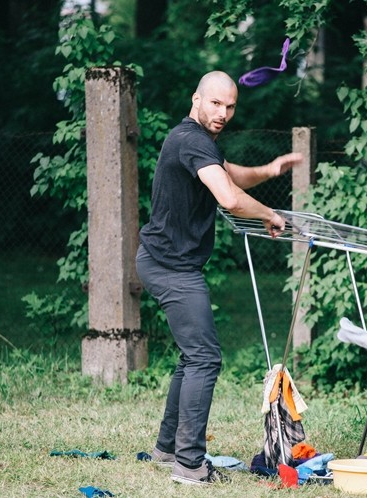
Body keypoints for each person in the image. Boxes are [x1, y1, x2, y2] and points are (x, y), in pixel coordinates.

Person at [136, 70, 302, 486]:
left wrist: (268, 169)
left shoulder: (196, 140)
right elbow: (227, 197)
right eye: (216, 104)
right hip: (170, 267)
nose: (223, 113)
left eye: (230, 106)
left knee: (192, 356)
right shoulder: (191, 139)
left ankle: (168, 448)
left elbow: (228, 175)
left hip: (168, 262)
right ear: (196, 99)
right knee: (205, 358)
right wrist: (269, 214)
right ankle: (189, 464)